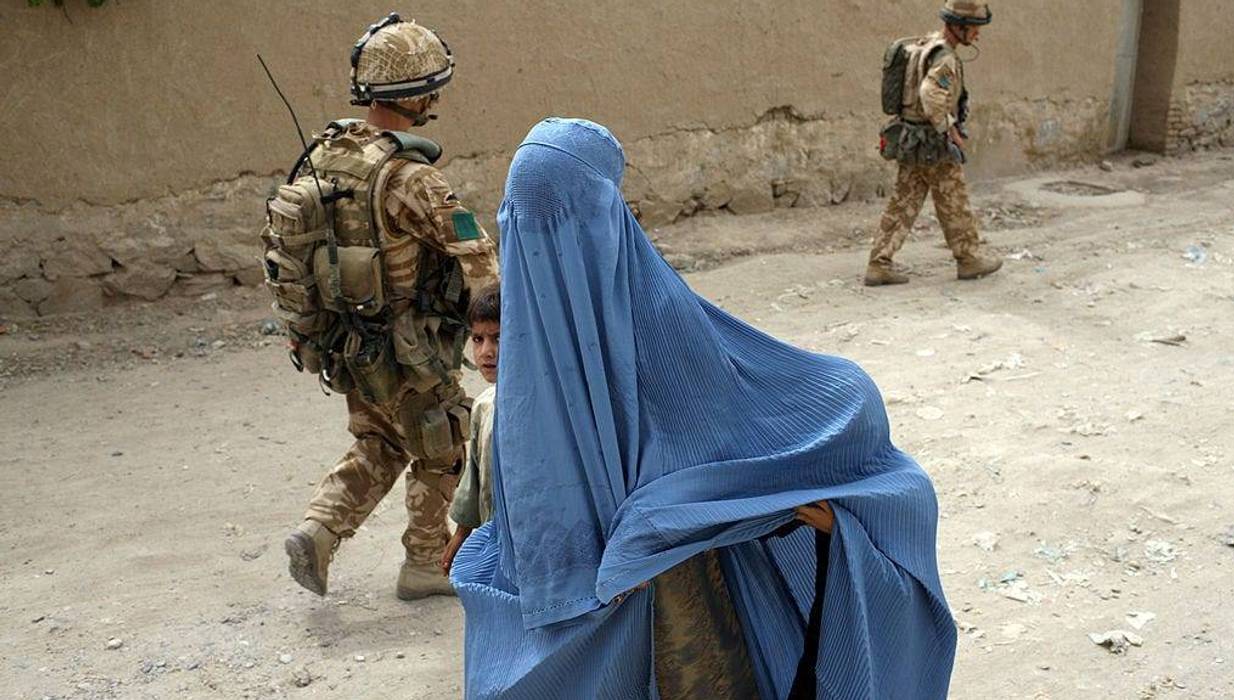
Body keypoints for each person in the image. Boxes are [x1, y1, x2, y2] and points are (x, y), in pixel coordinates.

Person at [450, 118, 956, 699]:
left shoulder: (541, 352)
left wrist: (638, 532)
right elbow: (761, 415)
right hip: (656, 600)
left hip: (622, 609)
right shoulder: (625, 317)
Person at [266, 14, 498, 601]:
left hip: (348, 341)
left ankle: (318, 530)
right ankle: (424, 562)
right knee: (444, 442)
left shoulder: (327, 155)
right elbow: (480, 262)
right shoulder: (411, 178)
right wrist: (503, 329)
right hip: (410, 346)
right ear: (420, 95)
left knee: (383, 439)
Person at [866, 0, 1003, 286]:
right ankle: (969, 259)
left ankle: (878, 263)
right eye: (975, 29)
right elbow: (930, 94)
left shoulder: (927, 43)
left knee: (902, 202)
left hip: (911, 139)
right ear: (960, 27)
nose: (978, 35)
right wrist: (949, 129)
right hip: (932, 143)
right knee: (955, 200)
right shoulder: (944, 57)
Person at [440, 283, 501, 575]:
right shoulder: (484, 406)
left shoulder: (545, 407)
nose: (487, 352)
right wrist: (462, 533)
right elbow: (473, 480)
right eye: (478, 339)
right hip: (493, 540)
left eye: (498, 338)